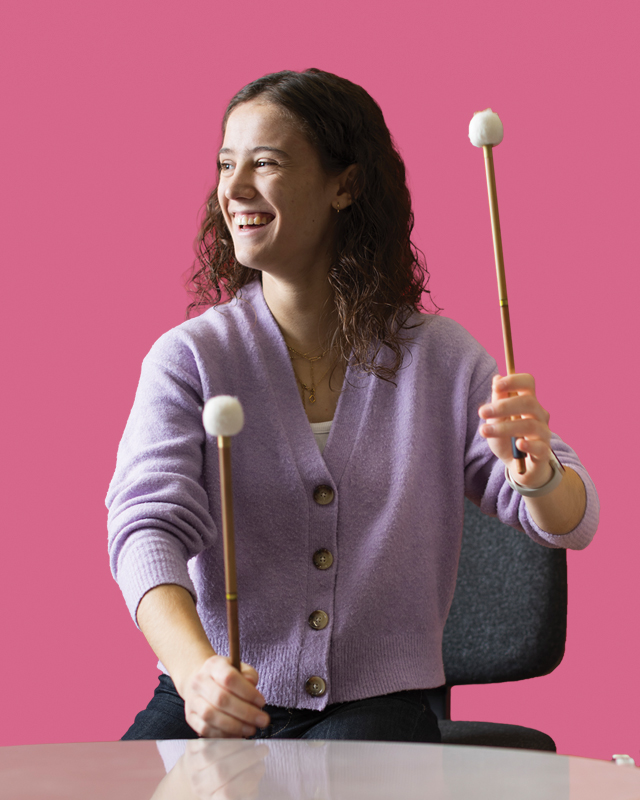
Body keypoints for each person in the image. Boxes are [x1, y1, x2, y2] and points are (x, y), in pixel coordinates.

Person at [106, 69, 598, 742]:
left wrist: (537, 473)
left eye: (266, 162)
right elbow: (144, 531)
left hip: (379, 705)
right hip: (209, 692)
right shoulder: (189, 358)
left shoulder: (442, 358)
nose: (235, 187)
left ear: (346, 184)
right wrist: (197, 675)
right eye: (226, 164)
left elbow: (571, 520)